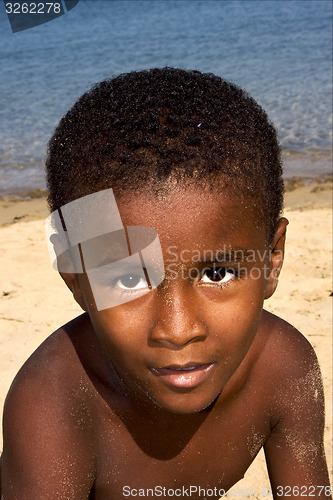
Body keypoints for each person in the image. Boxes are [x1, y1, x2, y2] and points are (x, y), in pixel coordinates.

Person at [1, 68, 331, 499]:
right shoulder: (53, 405)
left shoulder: (284, 368)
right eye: (127, 277)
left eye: (217, 273)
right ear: (76, 281)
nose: (178, 330)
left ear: (272, 259)